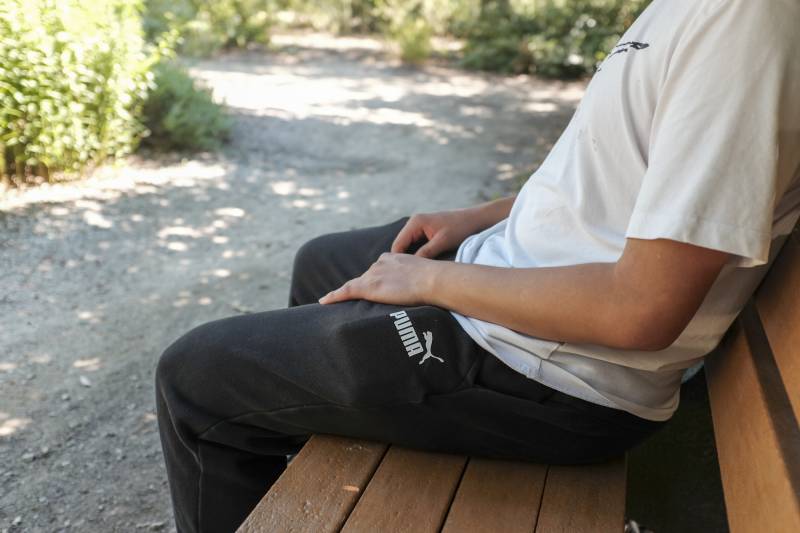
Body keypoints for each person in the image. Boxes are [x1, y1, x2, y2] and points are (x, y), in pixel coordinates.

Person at [155, 0, 800, 531]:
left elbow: (641, 309)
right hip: (520, 283)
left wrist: (431, 281)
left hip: (557, 370)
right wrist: (487, 217)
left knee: (193, 377)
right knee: (321, 261)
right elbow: (624, 180)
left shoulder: (747, 22)